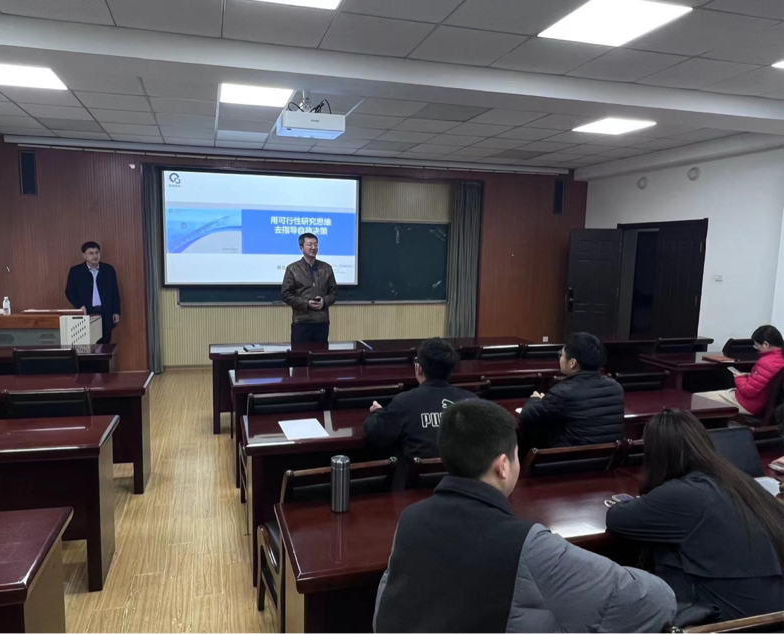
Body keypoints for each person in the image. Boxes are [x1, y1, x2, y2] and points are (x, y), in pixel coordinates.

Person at [373, 400, 676, 634]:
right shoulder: (529, 545)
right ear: (503, 466)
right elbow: (655, 602)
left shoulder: (410, 520)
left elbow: (384, 610)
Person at [606, 410, 784, 621]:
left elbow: (616, 518)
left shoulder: (683, 493)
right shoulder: (740, 481)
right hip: (771, 615)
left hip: (729, 621)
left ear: (656, 455)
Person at [364, 338, 478, 488]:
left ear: (419, 368)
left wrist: (378, 413)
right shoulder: (472, 401)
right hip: (462, 488)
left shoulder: (404, 402)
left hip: (415, 492)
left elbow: (373, 434)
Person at [519, 332, 625, 448]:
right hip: (608, 457)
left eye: (561, 355)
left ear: (572, 363)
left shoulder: (562, 392)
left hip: (571, 457)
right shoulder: (616, 388)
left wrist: (535, 399)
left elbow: (527, 416)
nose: (560, 358)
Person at [697, 325, 784, 416]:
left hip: (747, 403)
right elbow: (765, 379)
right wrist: (749, 376)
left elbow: (748, 391)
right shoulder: (780, 358)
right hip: (760, 404)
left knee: (697, 398)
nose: (756, 348)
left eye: (756, 345)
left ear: (766, 344)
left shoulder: (766, 362)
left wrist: (739, 377)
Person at [280, 233, 338, 343]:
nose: (313, 247)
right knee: (300, 353)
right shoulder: (292, 268)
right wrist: (306, 303)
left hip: (322, 322)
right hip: (301, 321)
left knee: (320, 353)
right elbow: (285, 294)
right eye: (310, 244)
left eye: (316, 244)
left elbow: (333, 293)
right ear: (301, 248)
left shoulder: (326, 268)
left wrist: (324, 301)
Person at [65, 241, 121, 344]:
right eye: (91, 253)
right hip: (87, 313)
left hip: (105, 312)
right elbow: (69, 292)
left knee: (105, 345)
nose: (95, 256)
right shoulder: (76, 271)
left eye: (97, 252)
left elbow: (114, 292)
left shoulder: (108, 269)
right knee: (88, 345)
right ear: (84, 255)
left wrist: (116, 311)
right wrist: (79, 305)